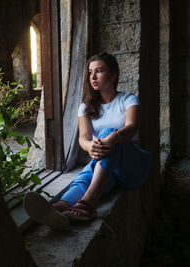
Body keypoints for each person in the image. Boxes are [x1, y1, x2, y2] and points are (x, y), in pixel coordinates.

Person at [24, 52, 152, 229]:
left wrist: (113, 137)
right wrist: (90, 146)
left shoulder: (128, 100)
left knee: (109, 134)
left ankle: (89, 203)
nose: (93, 76)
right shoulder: (85, 107)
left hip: (133, 166)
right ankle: (60, 210)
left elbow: (132, 127)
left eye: (99, 71)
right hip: (108, 168)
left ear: (113, 75)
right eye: (90, 72)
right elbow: (83, 139)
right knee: (86, 176)